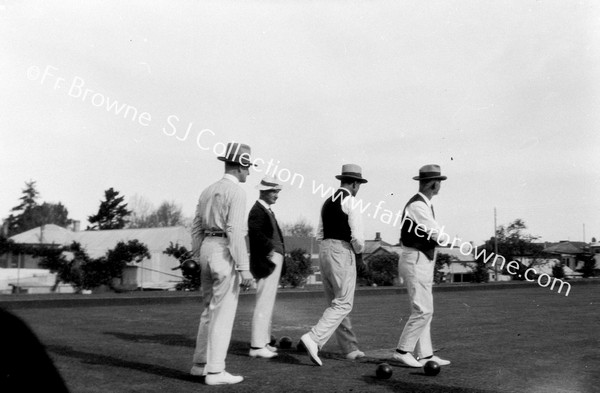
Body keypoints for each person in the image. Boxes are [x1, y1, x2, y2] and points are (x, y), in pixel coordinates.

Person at [189, 142, 255, 385]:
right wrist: (244, 267)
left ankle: (200, 365)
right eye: (248, 168)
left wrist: (197, 254)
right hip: (224, 250)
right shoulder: (237, 192)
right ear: (241, 166)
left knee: (209, 310)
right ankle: (216, 371)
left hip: (207, 248)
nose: (249, 173)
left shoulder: (208, 190)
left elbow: (196, 226)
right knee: (223, 313)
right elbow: (235, 231)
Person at [300, 164, 367, 366]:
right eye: (359, 184)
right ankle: (314, 338)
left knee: (336, 302)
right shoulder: (351, 202)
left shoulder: (327, 202)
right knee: (344, 303)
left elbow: (319, 233)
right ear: (355, 184)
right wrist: (360, 256)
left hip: (324, 250)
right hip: (342, 250)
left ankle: (350, 348)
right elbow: (358, 238)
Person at [393, 164, 451, 368]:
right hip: (415, 259)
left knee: (426, 309)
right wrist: (451, 241)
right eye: (440, 182)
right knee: (422, 310)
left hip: (422, 259)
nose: (440, 185)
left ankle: (426, 355)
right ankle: (402, 351)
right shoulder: (418, 205)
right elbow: (436, 233)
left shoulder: (423, 204)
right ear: (434, 184)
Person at [247, 176, 286, 359]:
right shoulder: (257, 210)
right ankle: (256, 346)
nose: (277, 195)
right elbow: (254, 233)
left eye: (278, 191)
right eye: (274, 191)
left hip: (273, 260)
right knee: (264, 302)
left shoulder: (266, 210)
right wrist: (269, 249)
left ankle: (264, 342)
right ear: (263, 191)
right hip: (267, 261)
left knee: (267, 303)